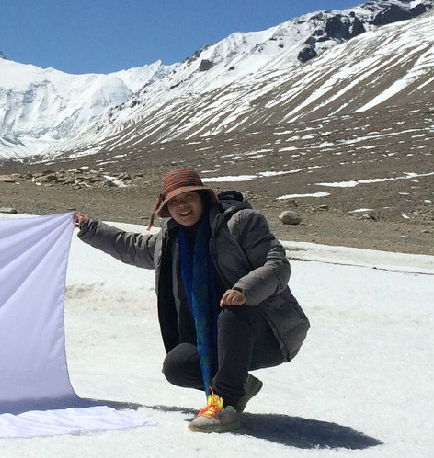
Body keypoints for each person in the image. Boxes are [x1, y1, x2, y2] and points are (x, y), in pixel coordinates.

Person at [73, 167, 309, 433]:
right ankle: (239, 384)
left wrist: (244, 290)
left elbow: (277, 265)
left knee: (232, 309)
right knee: (177, 366)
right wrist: (90, 228)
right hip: (221, 338)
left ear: (203, 199)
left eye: (188, 198)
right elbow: (131, 246)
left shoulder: (241, 223)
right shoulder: (171, 240)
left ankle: (224, 406)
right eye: (174, 202)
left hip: (267, 332)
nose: (181, 206)